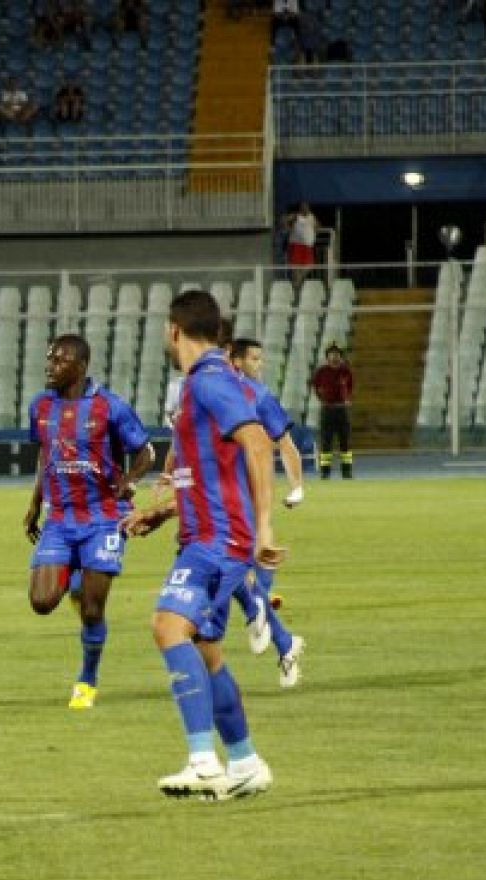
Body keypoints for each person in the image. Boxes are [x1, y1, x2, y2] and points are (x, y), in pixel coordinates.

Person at [121, 290, 282, 801]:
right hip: (206, 532)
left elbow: (258, 443)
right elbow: (214, 471)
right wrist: (164, 511)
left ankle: (202, 762)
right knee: (207, 651)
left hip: (218, 539)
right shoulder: (206, 382)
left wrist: (265, 528)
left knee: (168, 625)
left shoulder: (210, 380)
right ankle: (245, 762)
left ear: (174, 330)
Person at [22, 334, 155, 709]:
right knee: (41, 601)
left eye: (59, 361)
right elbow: (45, 454)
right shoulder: (40, 406)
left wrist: (129, 481)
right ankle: (77, 573)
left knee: (93, 610)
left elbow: (145, 451)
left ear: (80, 366)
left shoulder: (109, 406)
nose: (50, 366)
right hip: (60, 517)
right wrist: (34, 503)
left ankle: (87, 679)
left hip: (103, 517)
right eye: (49, 359)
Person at [228, 336, 307, 688]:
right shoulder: (206, 393)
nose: (259, 365)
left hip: (249, 495)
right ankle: (284, 642)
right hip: (219, 495)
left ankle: (263, 618)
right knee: (231, 570)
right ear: (235, 360)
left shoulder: (258, 396)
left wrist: (297, 486)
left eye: (260, 358)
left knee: (231, 568)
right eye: (254, 359)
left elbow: (285, 443)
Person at [311, 342, 354, 478]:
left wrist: (346, 399)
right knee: (326, 442)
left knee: (345, 442)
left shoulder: (346, 371)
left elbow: (350, 387)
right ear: (327, 357)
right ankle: (325, 472)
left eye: (337, 354)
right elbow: (316, 387)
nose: (334, 357)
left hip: (342, 410)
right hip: (327, 410)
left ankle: (347, 472)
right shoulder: (321, 372)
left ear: (340, 356)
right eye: (332, 354)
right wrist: (323, 399)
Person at [286, 201, 319, 287]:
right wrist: (288, 228)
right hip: (296, 245)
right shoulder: (296, 216)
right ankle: (296, 285)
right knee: (296, 268)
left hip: (308, 246)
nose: (305, 208)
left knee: (309, 266)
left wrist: (314, 232)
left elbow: (317, 226)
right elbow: (284, 221)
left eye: (307, 207)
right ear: (300, 208)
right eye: (303, 207)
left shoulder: (312, 217)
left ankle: (298, 281)